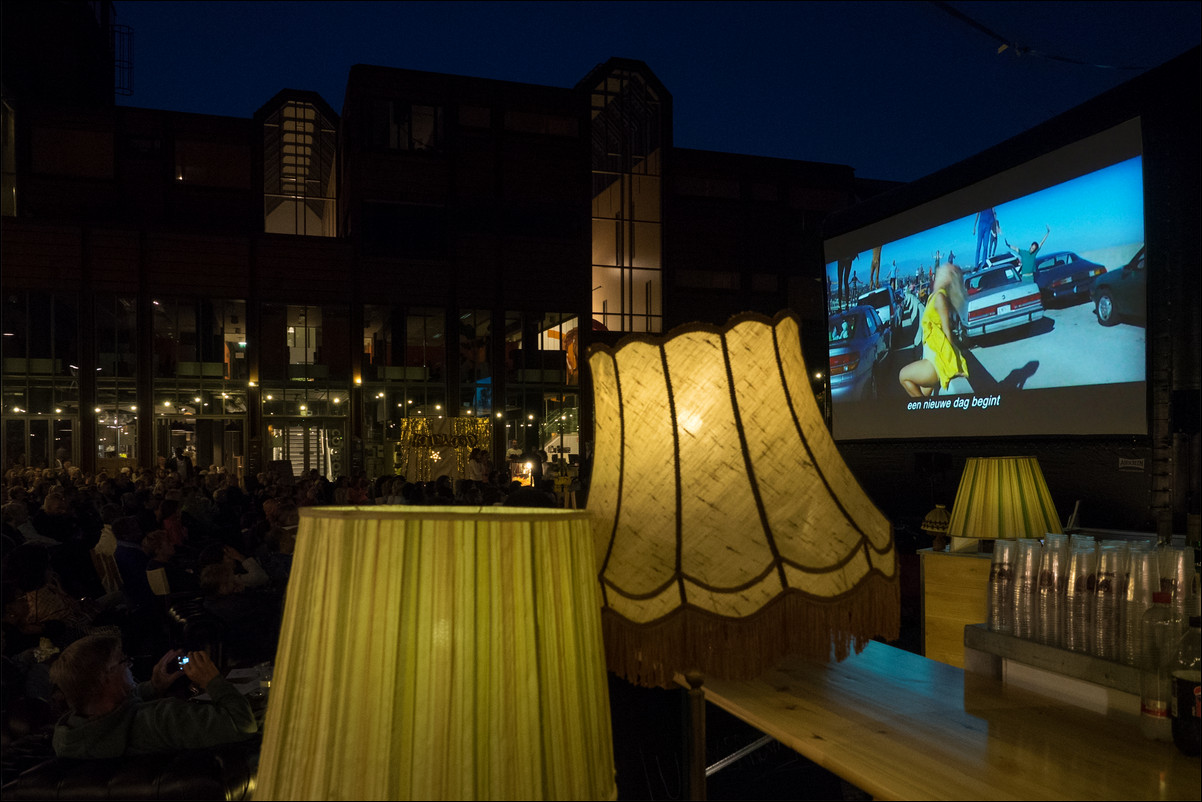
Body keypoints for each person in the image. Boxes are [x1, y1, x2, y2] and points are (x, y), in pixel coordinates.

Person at [49, 635, 256, 758]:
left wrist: (153, 687)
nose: (130, 667)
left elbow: (115, 716)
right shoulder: (162, 719)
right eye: (124, 661)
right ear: (106, 678)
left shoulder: (67, 738)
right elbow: (243, 724)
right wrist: (213, 681)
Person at [898, 262, 969, 398]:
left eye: (942, 271)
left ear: (947, 279)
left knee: (903, 376)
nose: (938, 272)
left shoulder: (940, 298)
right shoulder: (934, 296)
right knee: (923, 394)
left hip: (934, 363)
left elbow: (947, 332)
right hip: (929, 355)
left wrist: (953, 364)